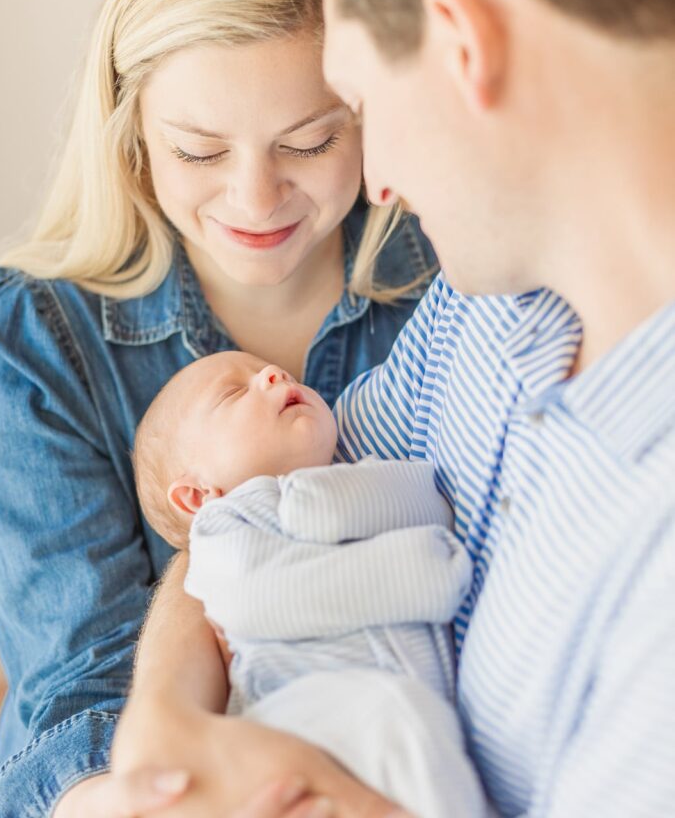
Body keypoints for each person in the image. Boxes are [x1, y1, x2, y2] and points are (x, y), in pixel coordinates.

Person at [107, 0, 675, 816]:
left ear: (463, 43)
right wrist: (166, 713)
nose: (383, 188)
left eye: (356, 111)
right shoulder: (480, 310)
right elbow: (242, 508)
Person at [0, 0, 436, 817]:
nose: (255, 198)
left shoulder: (455, 278)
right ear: (132, 139)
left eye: (311, 141)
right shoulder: (35, 347)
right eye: (199, 152)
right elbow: (74, 689)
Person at [129, 349, 482, 818]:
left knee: (416, 737)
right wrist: (417, 571)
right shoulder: (224, 524)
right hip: (295, 715)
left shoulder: (364, 472)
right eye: (235, 392)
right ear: (197, 495)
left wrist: (328, 501)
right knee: (396, 717)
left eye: (276, 373)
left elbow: (434, 505)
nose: (272, 375)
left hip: (412, 715)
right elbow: (254, 599)